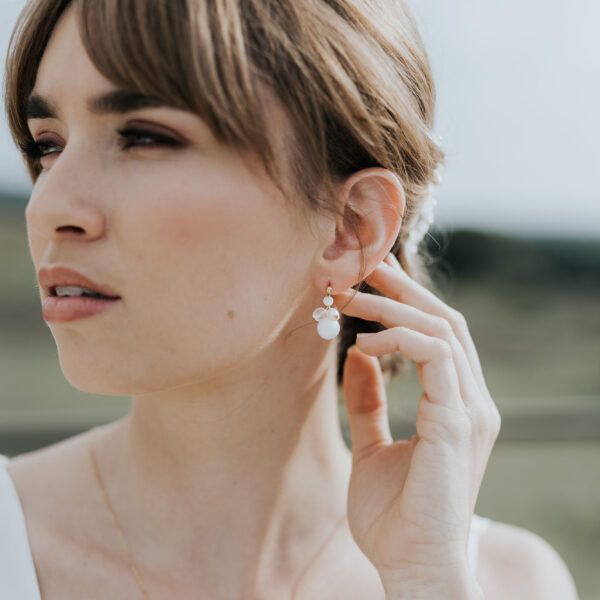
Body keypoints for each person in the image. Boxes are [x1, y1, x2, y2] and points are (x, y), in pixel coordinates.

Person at [0, 1, 579, 598]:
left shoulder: (509, 583)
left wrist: (428, 581)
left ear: (349, 226)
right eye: (48, 144)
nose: (46, 208)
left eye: (144, 137)